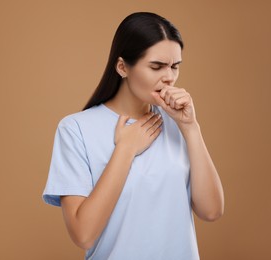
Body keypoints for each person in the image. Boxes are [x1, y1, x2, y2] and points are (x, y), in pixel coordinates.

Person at [42, 12, 224, 260]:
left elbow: (211, 211)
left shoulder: (177, 122)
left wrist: (191, 128)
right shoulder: (75, 129)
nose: (169, 76)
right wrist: (125, 149)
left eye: (175, 66)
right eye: (156, 66)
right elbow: (83, 234)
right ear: (122, 67)